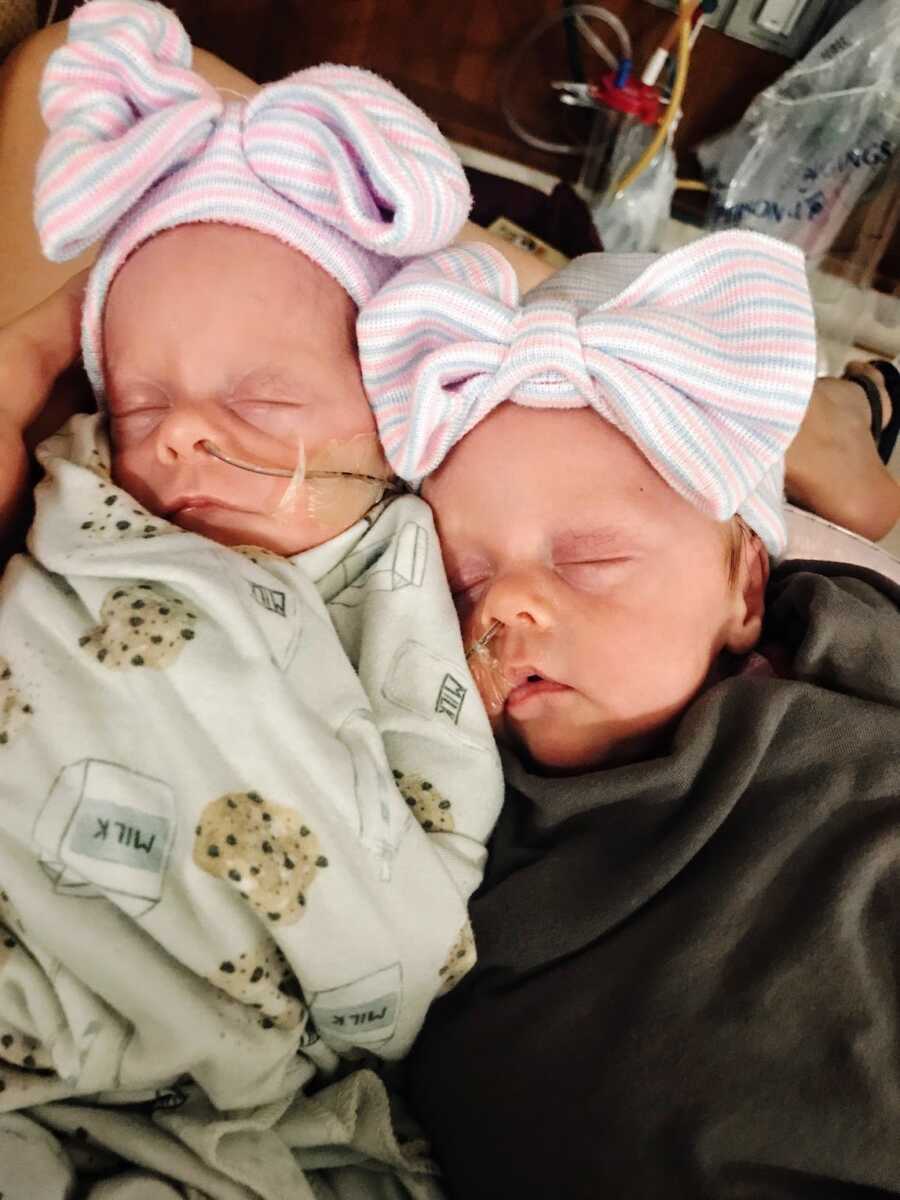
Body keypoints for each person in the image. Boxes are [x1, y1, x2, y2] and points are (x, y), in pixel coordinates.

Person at [0, 0, 505, 1141]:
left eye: (262, 403)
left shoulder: (388, 552)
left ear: (386, 423)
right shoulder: (88, 503)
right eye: (136, 405)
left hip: (224, 994)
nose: (176, 439)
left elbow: (438, 774)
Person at [354, 238, 900, 1198]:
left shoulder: (843, 674)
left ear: (744, 587)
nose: (499, 610)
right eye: (463, 579)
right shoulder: (443, 792)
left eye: (592, 558)